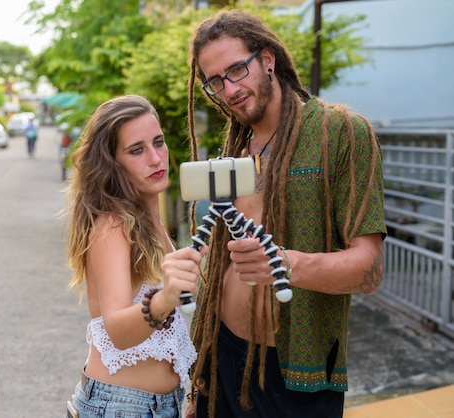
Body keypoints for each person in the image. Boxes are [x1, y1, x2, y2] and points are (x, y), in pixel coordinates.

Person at [184, 9, 387, 418]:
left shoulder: (340, 133)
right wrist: (198, 383)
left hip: (294, 378)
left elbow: (369, 269)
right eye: (215, 82)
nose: (229, 89)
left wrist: (283, 263)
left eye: (237, 69)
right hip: (218, 360)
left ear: (268, 59)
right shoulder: (234, 151)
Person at [64, 95, 207, 417]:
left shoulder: (151, 221)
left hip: (161, 404)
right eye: (136, 150)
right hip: (123, 406)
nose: (156, 158)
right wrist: (166, 297)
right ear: (112, 162)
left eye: (159, 142)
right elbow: (116, 330)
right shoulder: (113, 225)